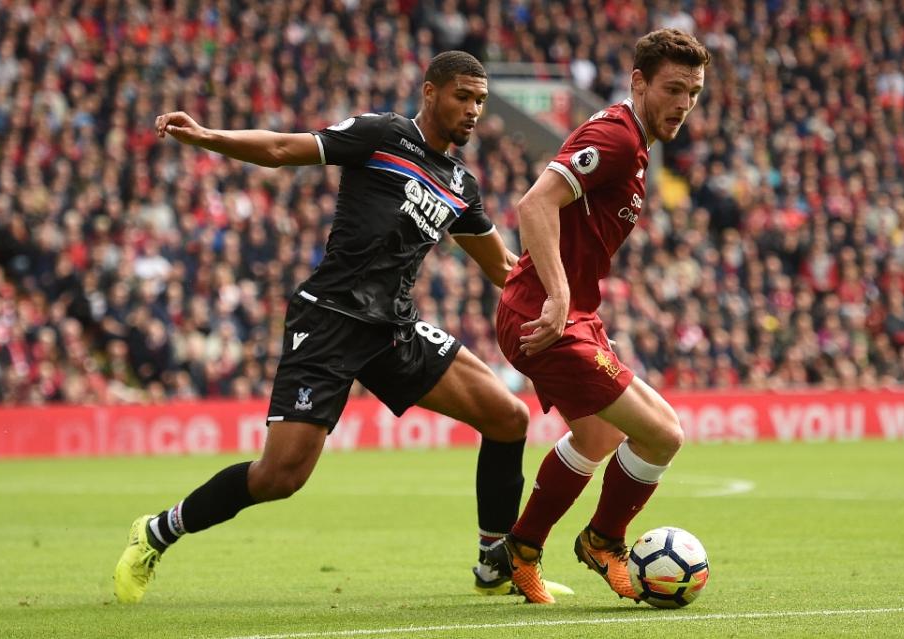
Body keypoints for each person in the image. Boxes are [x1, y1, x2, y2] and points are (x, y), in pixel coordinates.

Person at [114, 51, 570, 603]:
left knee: (507, 417)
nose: (474, 110)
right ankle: (157, 532)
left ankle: (495, 564)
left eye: (480, 100)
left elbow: (502, 269)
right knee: (279, 477)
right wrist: (208, 136)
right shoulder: (382, 136)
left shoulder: (461, 185)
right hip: (330, 317)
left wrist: (569, 307)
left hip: (393, 328)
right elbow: (284, 148)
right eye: (463, 97)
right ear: (430, 92)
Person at [485, 29, 711, 604]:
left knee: (601, 432)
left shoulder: (634, 143)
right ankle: (603, 541)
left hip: (572, 313)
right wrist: (558, 297)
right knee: (662, 435)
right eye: (673, 88)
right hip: (549, 317)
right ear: (639, 83)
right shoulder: (615, 136)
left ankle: (521, 549)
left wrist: (566, 299)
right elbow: (535, 203)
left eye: (694, 91)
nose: (683, 104)